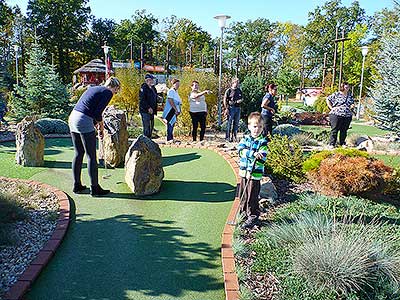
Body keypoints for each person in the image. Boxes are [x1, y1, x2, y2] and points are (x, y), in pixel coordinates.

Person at [68, 77, 120, 196]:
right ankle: (95, 189)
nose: (115, 93)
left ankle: (77, 186)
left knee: (78, 153)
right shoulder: (107, 92)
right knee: (91, 155)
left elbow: (91, 110)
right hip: (83, 120)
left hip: (73, 118)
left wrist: (96, 124)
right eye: (116, 90)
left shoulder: (95, 88)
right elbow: (97, 113)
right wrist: (101, 127)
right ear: (115, 87)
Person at [237, 112, 268, 229]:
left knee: (252, 196)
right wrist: (253, 154)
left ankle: (253, 216)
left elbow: (263, 157)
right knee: (243, 194)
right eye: (255, 126)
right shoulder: (245, 139)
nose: (257, 129)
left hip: (254, 175)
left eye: (260, 127)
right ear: (249, 126)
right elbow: (240, 151)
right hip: (244, 173)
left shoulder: (263, 142)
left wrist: (258, 156)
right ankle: (243, 214)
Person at [326, 82, 354, 148]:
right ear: (342, 87)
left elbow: (352, 103)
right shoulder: (337, 94)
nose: (347, 89)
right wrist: (331, 108)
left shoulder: (350, 95)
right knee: (335, 129)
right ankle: (331, 144)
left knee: (344, 130)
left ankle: (342, 143)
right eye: (346, 87)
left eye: (348, 87)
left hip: (347, 115)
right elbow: (328, 99)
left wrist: (352, 106)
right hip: (336, 114)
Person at [223, 78, 243, 142]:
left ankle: (234, 137)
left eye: (238, 82)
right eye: (236, 82)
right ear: (233, 83)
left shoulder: (239, 90)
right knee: (229, 123)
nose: (237, 84)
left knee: (236, 123)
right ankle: (227, 137)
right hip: (231, 108)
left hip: (238, 108)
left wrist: (240, 101)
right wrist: (226, 108)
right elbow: (225, 100)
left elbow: (241, 98)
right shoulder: (229, 90)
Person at [162, 78, 182, 142]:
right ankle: (169, 138)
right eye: (176, 84)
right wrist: (175, 109)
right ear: (173, 84)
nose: (178, 85)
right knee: (170, 123)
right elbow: (170, 100)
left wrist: (179, 110)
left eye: (178, 84)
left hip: (175, 110)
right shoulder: (171, 91)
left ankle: (171, 137)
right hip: (171, 110)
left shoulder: (176, 92)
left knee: (172, 124)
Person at [139, 74, 158, 138]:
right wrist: (148, 108)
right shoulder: (143, 88)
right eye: (151, 80)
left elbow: (155, 97)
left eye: (152, 80)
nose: (152, 81)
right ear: (147, 80)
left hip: (152, 111)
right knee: (146, 127)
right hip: (145, 111)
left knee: (151, 126)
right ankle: (145, 141)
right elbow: (142, 100)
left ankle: (149, 140)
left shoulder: (153, 88)